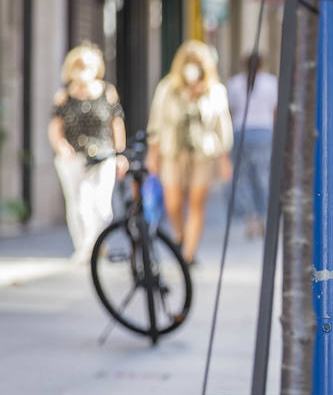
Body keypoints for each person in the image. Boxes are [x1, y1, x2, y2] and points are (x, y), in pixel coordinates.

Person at [146, 40, 234, 264]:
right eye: (189, 62)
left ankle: (188, 254)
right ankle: (179, 235)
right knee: (173, 202)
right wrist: (152, 154)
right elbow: (156, 122)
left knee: (196, 202)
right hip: (172, 152)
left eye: (197, 63)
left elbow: (222, 126)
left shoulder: (215, 90)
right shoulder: (168, 88)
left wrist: (225, 159)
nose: (192, 67)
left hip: (203, 154)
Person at [48, 44, 127, 260]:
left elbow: (116, 124)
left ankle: (96, 243)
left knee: (102, 206)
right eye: (79, 65)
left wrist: (121, 154)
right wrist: (61, 146)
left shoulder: (107, 92)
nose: (83, 69)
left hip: (103, 155)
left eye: (87, 65)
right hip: (74, 157)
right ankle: (85, 248)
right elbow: (55, 127)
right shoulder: (64, 96)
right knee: (78, 204)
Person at [225, 51, 277, 238]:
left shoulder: (234, 83)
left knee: (243, 179)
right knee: (263, 177)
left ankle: (251, 222)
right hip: (264, 133)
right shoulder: (271, 83)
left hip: (241, 133)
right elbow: (274, 111)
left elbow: (230, 111)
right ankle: (264, 219)